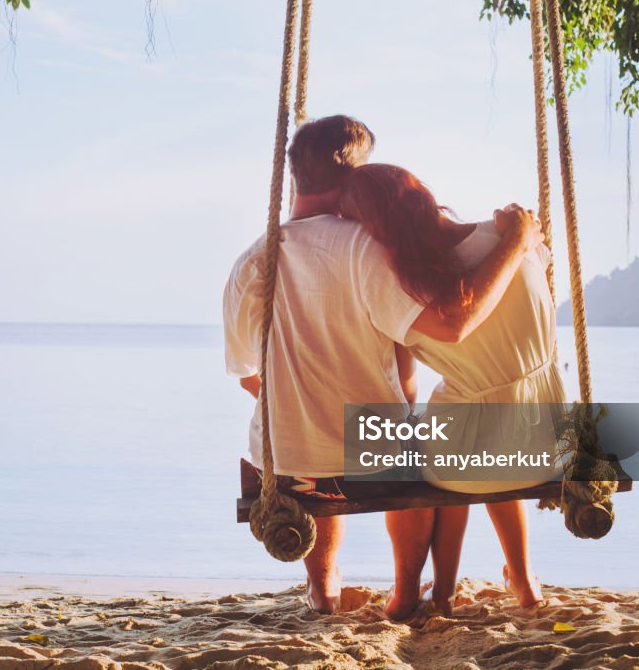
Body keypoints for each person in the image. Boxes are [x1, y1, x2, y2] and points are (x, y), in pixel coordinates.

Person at [223, 115, 543, 616]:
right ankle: (408, 589)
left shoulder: (251, 261)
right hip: (377, 460)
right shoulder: (369, 252)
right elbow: (433, 337)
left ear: (295, 175)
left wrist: (304, 404)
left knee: (326, 442)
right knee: (421, 447)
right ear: (354, 172)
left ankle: (324, 587)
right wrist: (516, 242)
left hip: (288, 465)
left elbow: (246, 374)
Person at [339, 163, 566, 610]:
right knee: (484, 425)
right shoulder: (517, 238)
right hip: (553, 435)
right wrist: (518, 237)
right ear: (423, 194)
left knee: (437, 440)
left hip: (475, 455)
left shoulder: (406, 292)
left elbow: (405, 391)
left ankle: (438, 592)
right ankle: (522, 579)